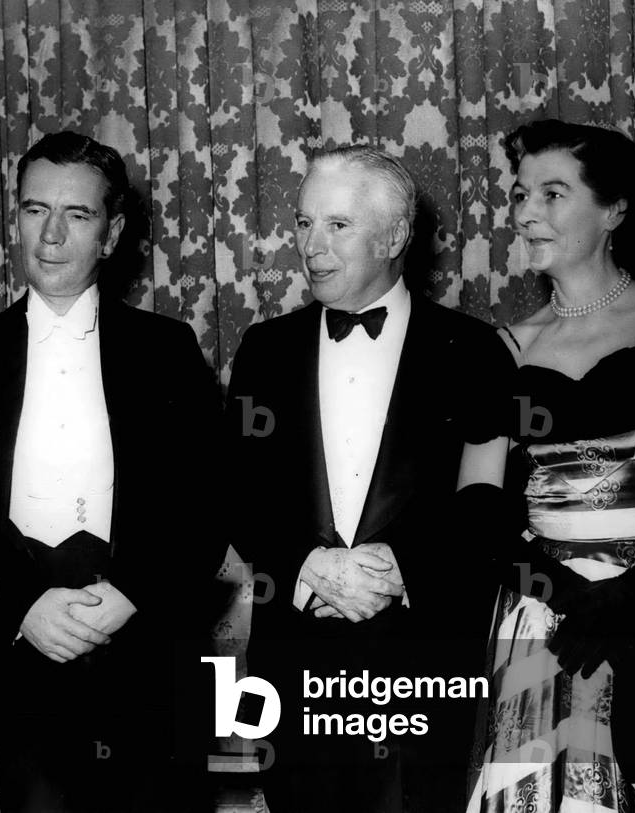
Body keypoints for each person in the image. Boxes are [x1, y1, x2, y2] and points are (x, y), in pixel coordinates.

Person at [0, 130, 221, 813]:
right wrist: (21, 606)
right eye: (35, 210)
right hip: (23, 649)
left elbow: (206, 501)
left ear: (111, 235)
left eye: (77, 215)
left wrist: (131, 594)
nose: (51, 235)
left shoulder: (167, 350)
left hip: (148, 648)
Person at [225, 145, 512, 813]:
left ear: (394, 236)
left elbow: (487, 506)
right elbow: (236, 487)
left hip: (425, 663)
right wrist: (310, 564)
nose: (311, 246)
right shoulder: (265, 351)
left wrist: (396, 568)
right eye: (303, 222)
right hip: (294, 663)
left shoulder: (474, 351)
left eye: (337, 225)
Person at [461, 119, 635, 811]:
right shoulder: (500, 349)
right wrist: (564, 591)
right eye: (520, 194)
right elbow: (476, 509)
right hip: (543, 620)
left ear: (614, 208)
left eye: (553, 193)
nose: (526, 213)